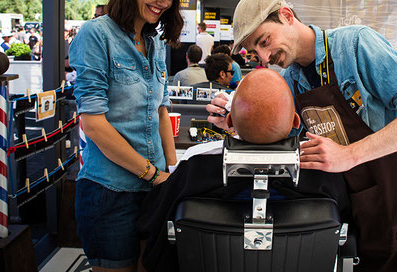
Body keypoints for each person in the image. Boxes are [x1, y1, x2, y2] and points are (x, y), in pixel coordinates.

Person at [207, 0, 397, 271]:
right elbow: (279, 134)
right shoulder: (289, 81)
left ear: (286, 16)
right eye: (254, 52)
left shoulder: (356, 44)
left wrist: (348, 155)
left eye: (265, 41)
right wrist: (236, 122)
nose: (264, 57)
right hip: (361, 204)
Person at [137, 68, 349, 272]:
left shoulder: (194, 166)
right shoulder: (324, 170)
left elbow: (151, 224)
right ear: (296, 121)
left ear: (229, 120)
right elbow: (348, 234)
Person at [69, 0, 188, 272]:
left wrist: (172, 170)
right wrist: (153, 174)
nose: (162, 2)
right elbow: (93, 124)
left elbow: (161, 111)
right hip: (111, 192)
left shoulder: (155, 44)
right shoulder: (96, 35)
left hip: (155, 189)